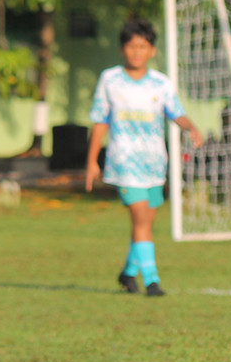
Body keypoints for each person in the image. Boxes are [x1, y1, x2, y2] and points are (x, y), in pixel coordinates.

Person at [85, 19, 203, 297]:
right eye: (131, 46)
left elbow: (176, 113)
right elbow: (100, 121)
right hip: (124, 163)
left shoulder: (160, 83)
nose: (136, 52)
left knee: (145, 224)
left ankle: (128, 273)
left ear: (151, 50)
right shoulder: (110, 80)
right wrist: (92, 160)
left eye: (142, 46)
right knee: (140, 221)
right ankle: (152, 280)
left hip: (154, 163)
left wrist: (191, 127)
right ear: (122, 49)